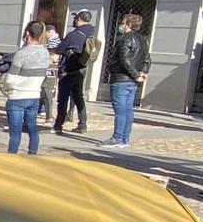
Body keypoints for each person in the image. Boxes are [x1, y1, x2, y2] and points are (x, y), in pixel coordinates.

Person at [98, 13, 149, 149]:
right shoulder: (142, 40)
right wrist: (142, 72)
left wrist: (136, 74)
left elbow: (124, 59)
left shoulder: (125, 39)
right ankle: (125, 137)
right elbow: (147, 59)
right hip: (131, 80)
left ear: (129, 24)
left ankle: (118, 137)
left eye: (123, 22)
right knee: (128, 109)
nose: (121, 25)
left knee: (120, 109)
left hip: (122, 78)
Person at [4, 23, 52, 154]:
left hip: (18, 95)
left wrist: (5, 87)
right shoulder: (45, 53)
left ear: (27, 34)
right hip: (34, 95)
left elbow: (10, 78)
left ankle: (12, 157)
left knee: (15, 133)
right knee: (32, 129)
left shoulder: (22, 54)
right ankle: (32, 154)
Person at [53, 10, 92, 134]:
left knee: (63, 98)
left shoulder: (74, 35)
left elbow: (59, 49)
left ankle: (59, 124)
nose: (74, 20)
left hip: (69, 70)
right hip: (81, 69)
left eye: (75, 18)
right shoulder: (91, 33)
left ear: (79, 19)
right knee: (78, 96)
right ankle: (82, 124)